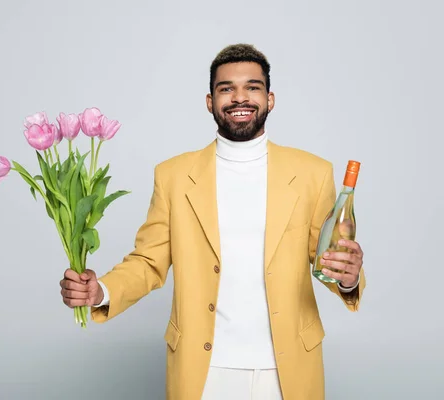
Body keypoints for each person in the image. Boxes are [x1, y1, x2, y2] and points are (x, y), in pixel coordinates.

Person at [59, 43, 366, 400]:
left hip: (289, 367)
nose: (240, 98)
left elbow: (328, 261)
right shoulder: (173, 175)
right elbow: (148, 261)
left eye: (253, 87)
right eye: (226, 89)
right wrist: (101, 292)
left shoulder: (313, 173)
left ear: (270, 99)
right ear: (210, 101)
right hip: (203, 371)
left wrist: (348, 278)